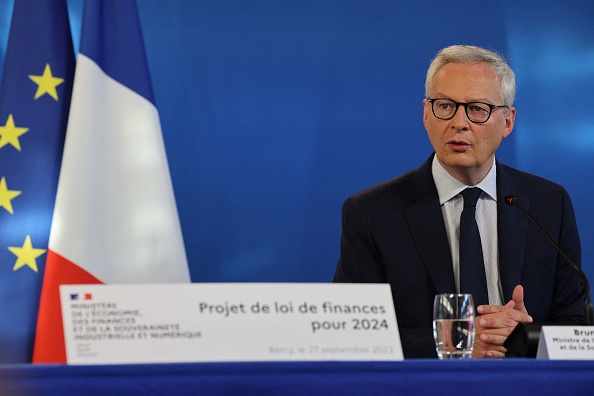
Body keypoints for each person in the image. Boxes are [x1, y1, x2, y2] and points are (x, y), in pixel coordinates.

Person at [333, 45, 586, 359]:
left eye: (478, 108)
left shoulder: (549, 204)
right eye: (445, 106)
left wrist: (523, 337)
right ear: (427, 114)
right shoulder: (372, 213)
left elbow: (575, 329)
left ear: (507, 121)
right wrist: (458, 342)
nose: (459, 122)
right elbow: (353, 335)